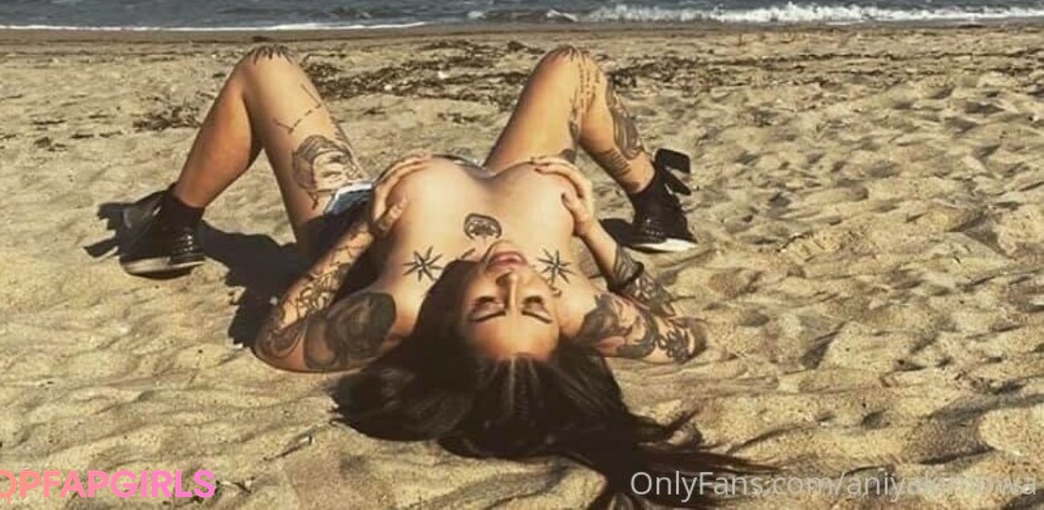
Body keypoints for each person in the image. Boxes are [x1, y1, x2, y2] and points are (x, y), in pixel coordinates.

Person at [118, 43, 762, 508]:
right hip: (506, 182)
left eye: (489, 306)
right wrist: (595, 232)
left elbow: (277, 341)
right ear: (560, 326)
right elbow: (683, 334)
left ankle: (174, 221)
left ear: (453, 320)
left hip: (359, 214)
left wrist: (365, 232)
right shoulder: (576, 304)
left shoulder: (402, 302)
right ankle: (656, 201)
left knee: (265, 67)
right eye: (533, 306)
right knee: (572, 66)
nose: (513, 282)